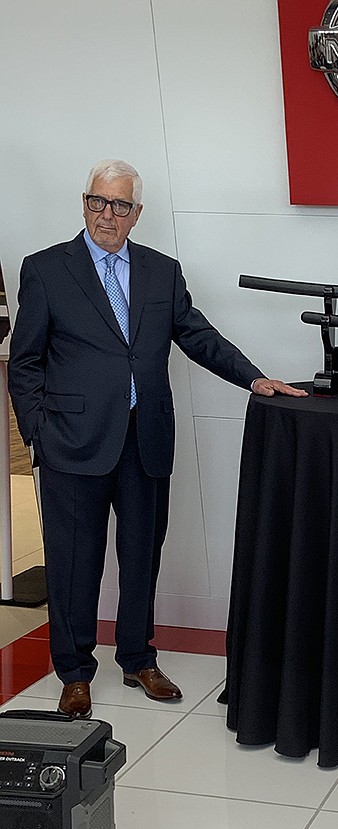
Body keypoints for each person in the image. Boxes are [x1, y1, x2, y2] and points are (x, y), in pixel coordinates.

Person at [8, 158, 307, 720]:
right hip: (71, 442)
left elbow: (196, 335)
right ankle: (73, 671)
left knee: (142, 554)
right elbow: (24, 362)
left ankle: (138, 657)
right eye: (98, 201)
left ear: (136, 214)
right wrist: (38, 434)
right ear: (84, 203)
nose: (107, 215)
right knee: (74, 562)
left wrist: (254, 377)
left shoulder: (161, 272)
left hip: (144, 439)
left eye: (120, 205)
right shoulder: (46, 269)